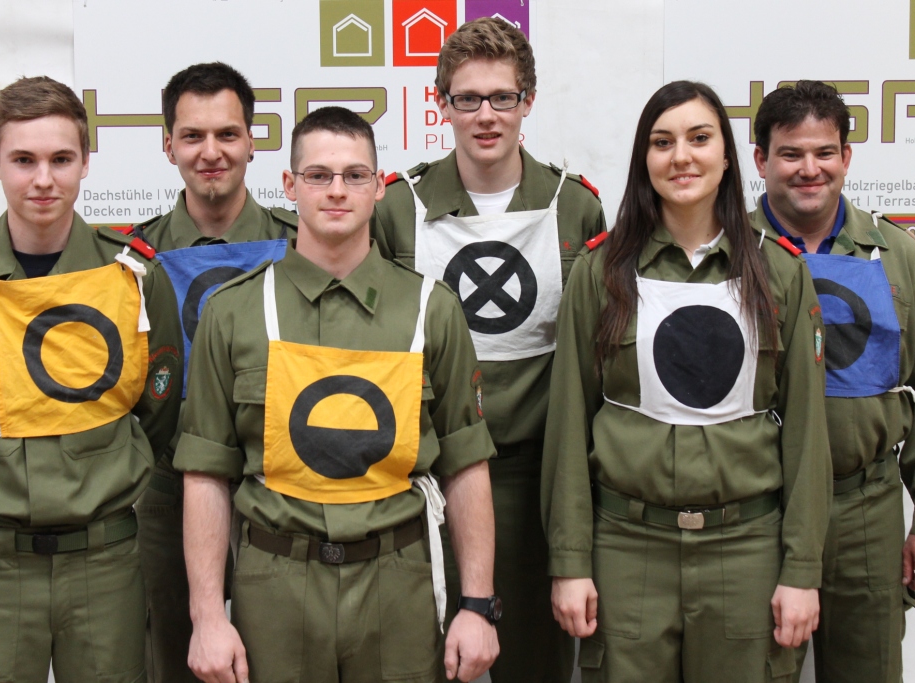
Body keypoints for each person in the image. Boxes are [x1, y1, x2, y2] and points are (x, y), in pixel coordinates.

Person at [176, 106, 499, 683]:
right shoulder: (231, 312)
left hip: (399, 585)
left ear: (379, 187)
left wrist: (477, 605)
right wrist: (207, 616)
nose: (336, 191)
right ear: (289, 185)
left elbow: (466, 461)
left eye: (354, 175)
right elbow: (205, 473)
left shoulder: (432, 309)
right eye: (318, 175)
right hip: (274, 586)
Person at [542, 80, 833, 683]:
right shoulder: (601, 273)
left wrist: (802, 570)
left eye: (700, 138)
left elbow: (807, 433)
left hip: (746, 549)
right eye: (662, 142)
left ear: (727, 155)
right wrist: (570, 562)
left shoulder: (779, 272)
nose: (682, 157)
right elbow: (568, 426)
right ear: (643, 159)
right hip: (627, 549)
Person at [0, 76, 182, 683]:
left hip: (105, 564)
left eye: (61, 159)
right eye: (24, 160)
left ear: (86, 162)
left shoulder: (135, 278)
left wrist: (103, 475)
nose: (43, 179)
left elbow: (157, 411)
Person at [373, 17, 605, 681]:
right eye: (468, 98)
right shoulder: (396, 208)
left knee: (537, 662)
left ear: (527, 100)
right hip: (426, 482)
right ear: (440, 103)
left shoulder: (575, 207)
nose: (486, 115)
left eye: (502, 97)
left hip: (536, 483)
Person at [751, 80, 915, 683]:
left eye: (824, 152)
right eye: (790, 153)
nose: (810, 169)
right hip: (759, 513)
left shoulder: (898, 256)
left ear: (847, 156)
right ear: (760, 160)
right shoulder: (730, 255)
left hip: (866, 509)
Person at [134, 61, 298, 683]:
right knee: (174, 658)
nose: (211, 152)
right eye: (193, 136)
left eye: (227, 134)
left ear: (253, 141)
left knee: (281, 660)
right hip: (167, 490)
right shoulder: (133, 259)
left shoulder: (303, 245)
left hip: (281, 484)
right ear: (168, 144)